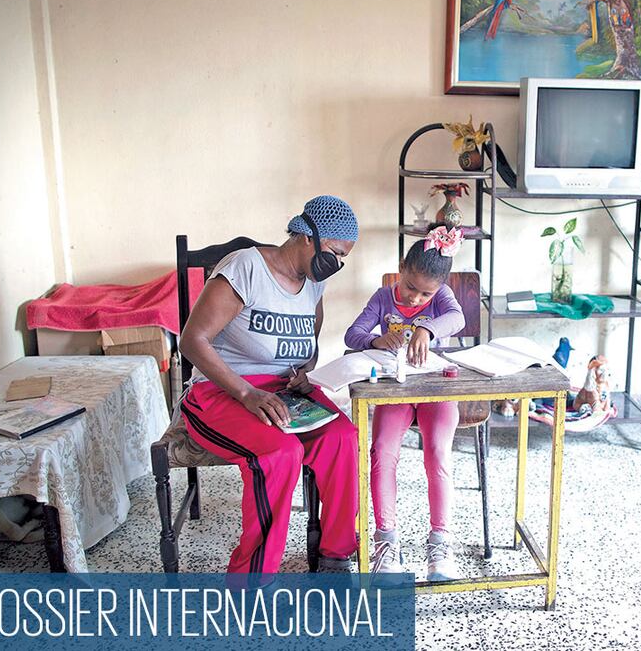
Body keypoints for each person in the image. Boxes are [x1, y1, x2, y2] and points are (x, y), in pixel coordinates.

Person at [178, 195, 359, 575]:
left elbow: (309, 337)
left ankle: (335, 555)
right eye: (335, 253)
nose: (337, 265)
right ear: (307, 236)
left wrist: (305, 369)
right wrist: (245, 392)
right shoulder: (246, 268)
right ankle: (251, 583)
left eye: (344, 258)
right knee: (279, 454)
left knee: (343, 437)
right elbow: (192, 340)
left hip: (283, 391)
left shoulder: (313, 284)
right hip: (223, 390)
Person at [344, 225, 465, 580]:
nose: (414, 299)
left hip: (435, 388)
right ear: (401, 268)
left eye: (425, 294)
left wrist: (427, 328)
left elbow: (457, 319)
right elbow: (353, 335)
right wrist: (376, 340)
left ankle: (440, 542)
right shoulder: (383, 298)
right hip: (395, 389)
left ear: (439, 288)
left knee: (438, 454)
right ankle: (386, 542)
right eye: (410, 287)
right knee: (382, 452)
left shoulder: (441, 298)